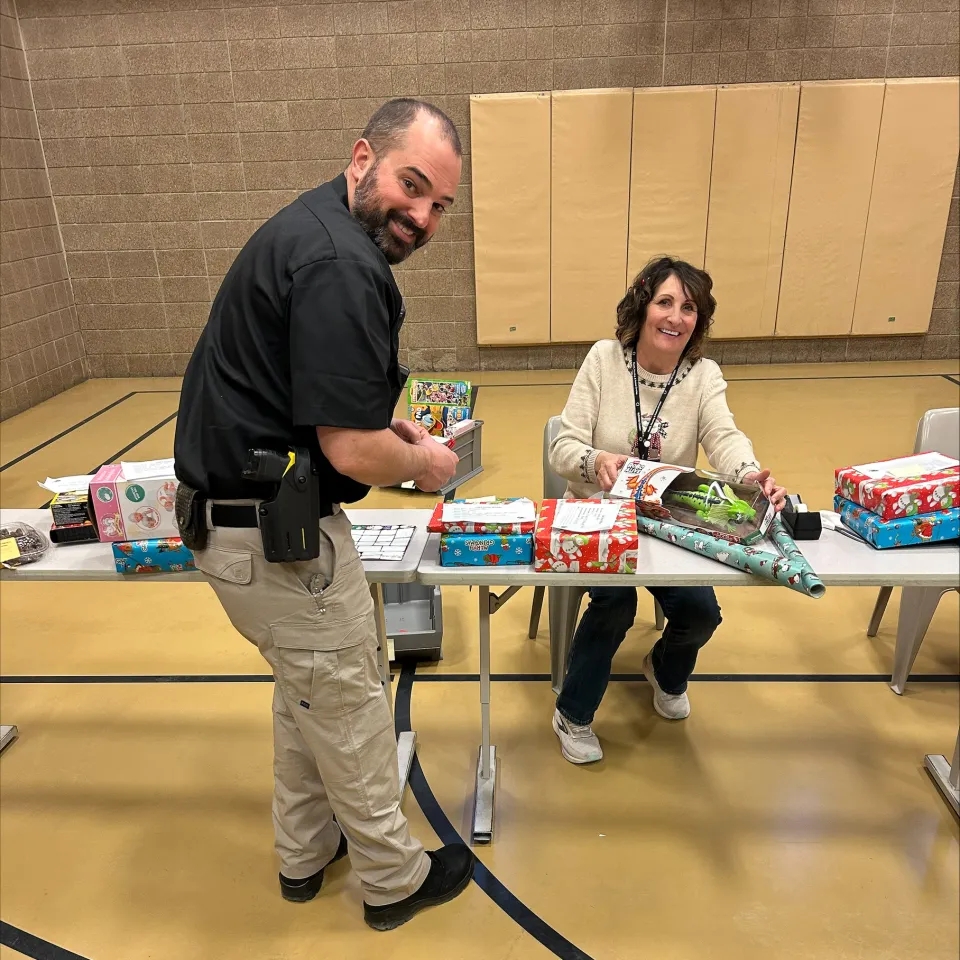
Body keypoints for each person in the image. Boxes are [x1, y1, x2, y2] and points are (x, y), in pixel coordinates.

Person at [173, 99, 475, 931]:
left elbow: (309, 399)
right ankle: (393, 878)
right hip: (279, 542)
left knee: (304, 692)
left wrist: (388, 429)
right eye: (412, 187)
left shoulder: (309, 229)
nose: (421, 217)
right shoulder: (343, 264)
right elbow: (349, 452)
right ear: (362, 159)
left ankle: (305, 852)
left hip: (234, 527)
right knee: (347, 703)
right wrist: (423, 460)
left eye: (440, 205)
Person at [548, 256, 787, 765]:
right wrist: (596, 460)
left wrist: (751, 475)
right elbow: (563, 447)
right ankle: (572, 712)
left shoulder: (703, 375)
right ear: (643, 306)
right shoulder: (604, 360)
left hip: (666, 522)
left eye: (689, 307)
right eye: (665, 303)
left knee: (701, 613)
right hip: (598, 516)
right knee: (616, 606)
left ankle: (665, 668)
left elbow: (724, 437)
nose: (675, 317)